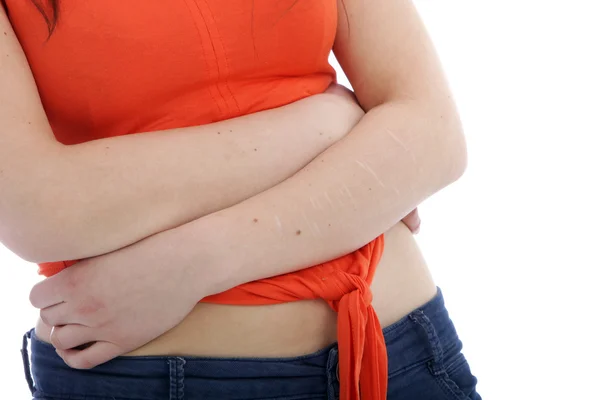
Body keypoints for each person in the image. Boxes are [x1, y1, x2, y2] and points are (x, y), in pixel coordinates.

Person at [1, 0, 481, 399]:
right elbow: (39, 207)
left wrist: (192, 265)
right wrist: (323, 127)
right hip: (152, 382)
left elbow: (434, 135)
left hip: (406, 355)